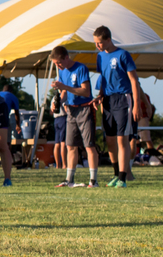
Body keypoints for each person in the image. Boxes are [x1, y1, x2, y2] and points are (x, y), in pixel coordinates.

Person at [93, 25, 145, 188]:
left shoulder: (123, 55)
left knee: (122, 139)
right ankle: (116, 174)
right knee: (110, 140)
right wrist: (100, 96)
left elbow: (134, 80)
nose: (97, 46)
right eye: (95, 43)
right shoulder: (100, 57)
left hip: (123, 99)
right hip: (108, 101)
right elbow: (103, 79)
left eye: (99, 43)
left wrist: (136, 105)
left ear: (108, 39)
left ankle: (123, 177)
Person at [50, 45, 101, 187]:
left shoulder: (81, 68)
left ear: (66, 57)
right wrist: (58, 102)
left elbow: (85, 92)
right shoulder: (62, 72)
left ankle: (93, 180)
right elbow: (64, 93)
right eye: (55, 64)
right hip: (70, 111)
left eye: (59, 63)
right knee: (70, 145)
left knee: (89, 145)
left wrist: (65, 87)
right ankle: (69, 179)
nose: (58, 66)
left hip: (85, 109)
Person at [50, 91, 68, 172]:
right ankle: (64, 164)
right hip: (63, 118)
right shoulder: (64, 97)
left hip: (56, 119)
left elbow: (51, 111)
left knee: (57, 144)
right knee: (63, 143)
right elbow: (66, 108)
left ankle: (58, 165)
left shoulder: (54, 98)